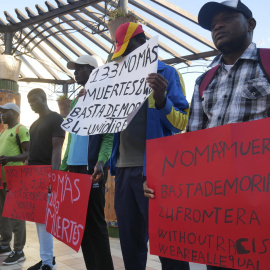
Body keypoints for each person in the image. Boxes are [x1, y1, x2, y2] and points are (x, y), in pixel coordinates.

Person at [145, 1, 265, 270]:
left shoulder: (268, 66)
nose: (218, 26)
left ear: (251, 24)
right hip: (218, 213)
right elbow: (194, 148)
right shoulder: (203, 82)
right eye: (213, 25)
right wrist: (163, 183)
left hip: (260, 211)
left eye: (227, 18)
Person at [110, 22, 190, 270]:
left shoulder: (167, 74)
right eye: (121, 54)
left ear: (144, 43)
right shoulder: (116, 80)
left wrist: (162, 99)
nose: (125, 57)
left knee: (168, 242)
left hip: (156, 173)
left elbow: (182, 122)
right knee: (130, 243)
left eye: (128, 50)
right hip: (123, 170)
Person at [60, 55, 114, 270]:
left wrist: (100, 162)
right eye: (75, 69)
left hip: (92, 170)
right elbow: (71, 137)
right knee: (79, 224)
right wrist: (63, 169)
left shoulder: (105, 99)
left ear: (93, 71)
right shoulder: (76, 101)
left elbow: (109, 137)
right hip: (73, 170)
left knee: (96, 224)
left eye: (80, 69)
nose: (75, 73)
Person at [27, 88, 65, 270]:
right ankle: (46, 259)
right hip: (33, 176)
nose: (32, 105)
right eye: (29, 103)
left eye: (34, 101)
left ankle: (48, 263)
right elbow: (31, 152)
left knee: (44, 221)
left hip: (45, 176)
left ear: (43, 98)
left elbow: (57, 149)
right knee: (38, 219)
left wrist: (53, 176)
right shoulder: (34, 125)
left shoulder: (56, 119)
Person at [0, 103, 29, 265]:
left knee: (16, 215)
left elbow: (28, 152)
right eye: (1, 112)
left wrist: (10, 159)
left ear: (14, 112)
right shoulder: (4, 132)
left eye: (5, 112)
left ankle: (19, 250)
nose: (2, 115)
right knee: (3, 213)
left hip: (15, 179)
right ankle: (5, 245)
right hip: (2, 180)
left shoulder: (21, 129)